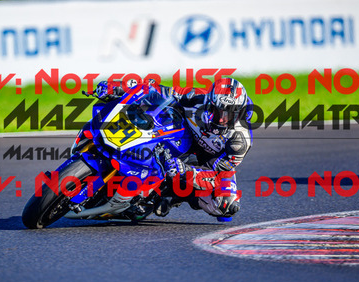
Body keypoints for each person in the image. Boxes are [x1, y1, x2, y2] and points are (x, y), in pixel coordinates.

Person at [93, 77, 253, 219]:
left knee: (225, 205)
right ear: (209, 104)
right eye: (218, 112)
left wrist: (186, 170)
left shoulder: (239, 142)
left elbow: (216, 175)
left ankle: (171, 197)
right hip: (183, 139)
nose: (223, 119)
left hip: (210, 163)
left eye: (229, 114)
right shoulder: (195, 97)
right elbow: (157, 89)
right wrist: (119, 87)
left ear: (239, 113)